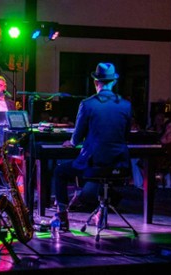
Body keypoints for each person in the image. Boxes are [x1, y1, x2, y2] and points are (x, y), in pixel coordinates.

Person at [52, 63, 132, 231]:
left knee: (60, 171)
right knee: (105, 176)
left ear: (96, 82)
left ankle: (62, 216)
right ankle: (100, 211)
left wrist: (72, 143)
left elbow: (78, 135)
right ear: (113, 82)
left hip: (94, 164)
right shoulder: (126, 105)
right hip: (118, 163)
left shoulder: (88, 104)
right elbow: (125, 136)